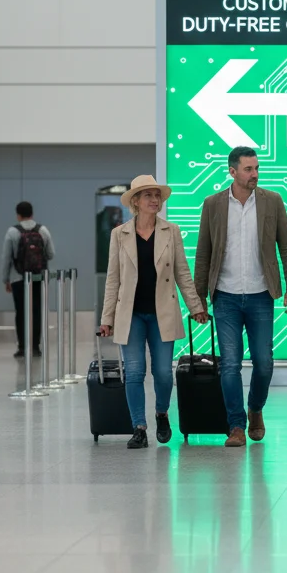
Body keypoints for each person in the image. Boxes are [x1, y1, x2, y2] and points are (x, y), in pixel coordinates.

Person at [194, 146, 287, 448]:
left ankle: (255, 409)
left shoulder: (272, 201)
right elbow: (203, 253)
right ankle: (236, 425)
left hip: (260, 295)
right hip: (224, 296)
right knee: (229, 364)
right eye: (248, 169)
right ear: (232, 172)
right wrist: (199, 299)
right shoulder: (213, 204)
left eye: (256, 168)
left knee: (264, 363)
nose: (254, 174)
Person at [99, 176, 207, 449]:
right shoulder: (119, 234)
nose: (154, 200)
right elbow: (113, 279)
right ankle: (138, 427)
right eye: (148, 195)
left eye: (157, 195)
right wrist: (107, 319)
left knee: (162, 372)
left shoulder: (171, 231)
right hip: (131, 314)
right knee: (134, 372)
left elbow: (182, 273)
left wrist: (195, 307)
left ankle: (161, 414)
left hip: (162, 313)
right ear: (135, 201)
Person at [1, 201, 55, 358]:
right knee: (37, 312)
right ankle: (36, 347)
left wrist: (6, 279)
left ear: (18, 215)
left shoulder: (12, 232)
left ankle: (22, 347)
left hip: (18, 279)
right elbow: (51, 254)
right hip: (39, 278)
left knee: (21, 312)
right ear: (32, 213)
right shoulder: (42, 230)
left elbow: (6, 258)